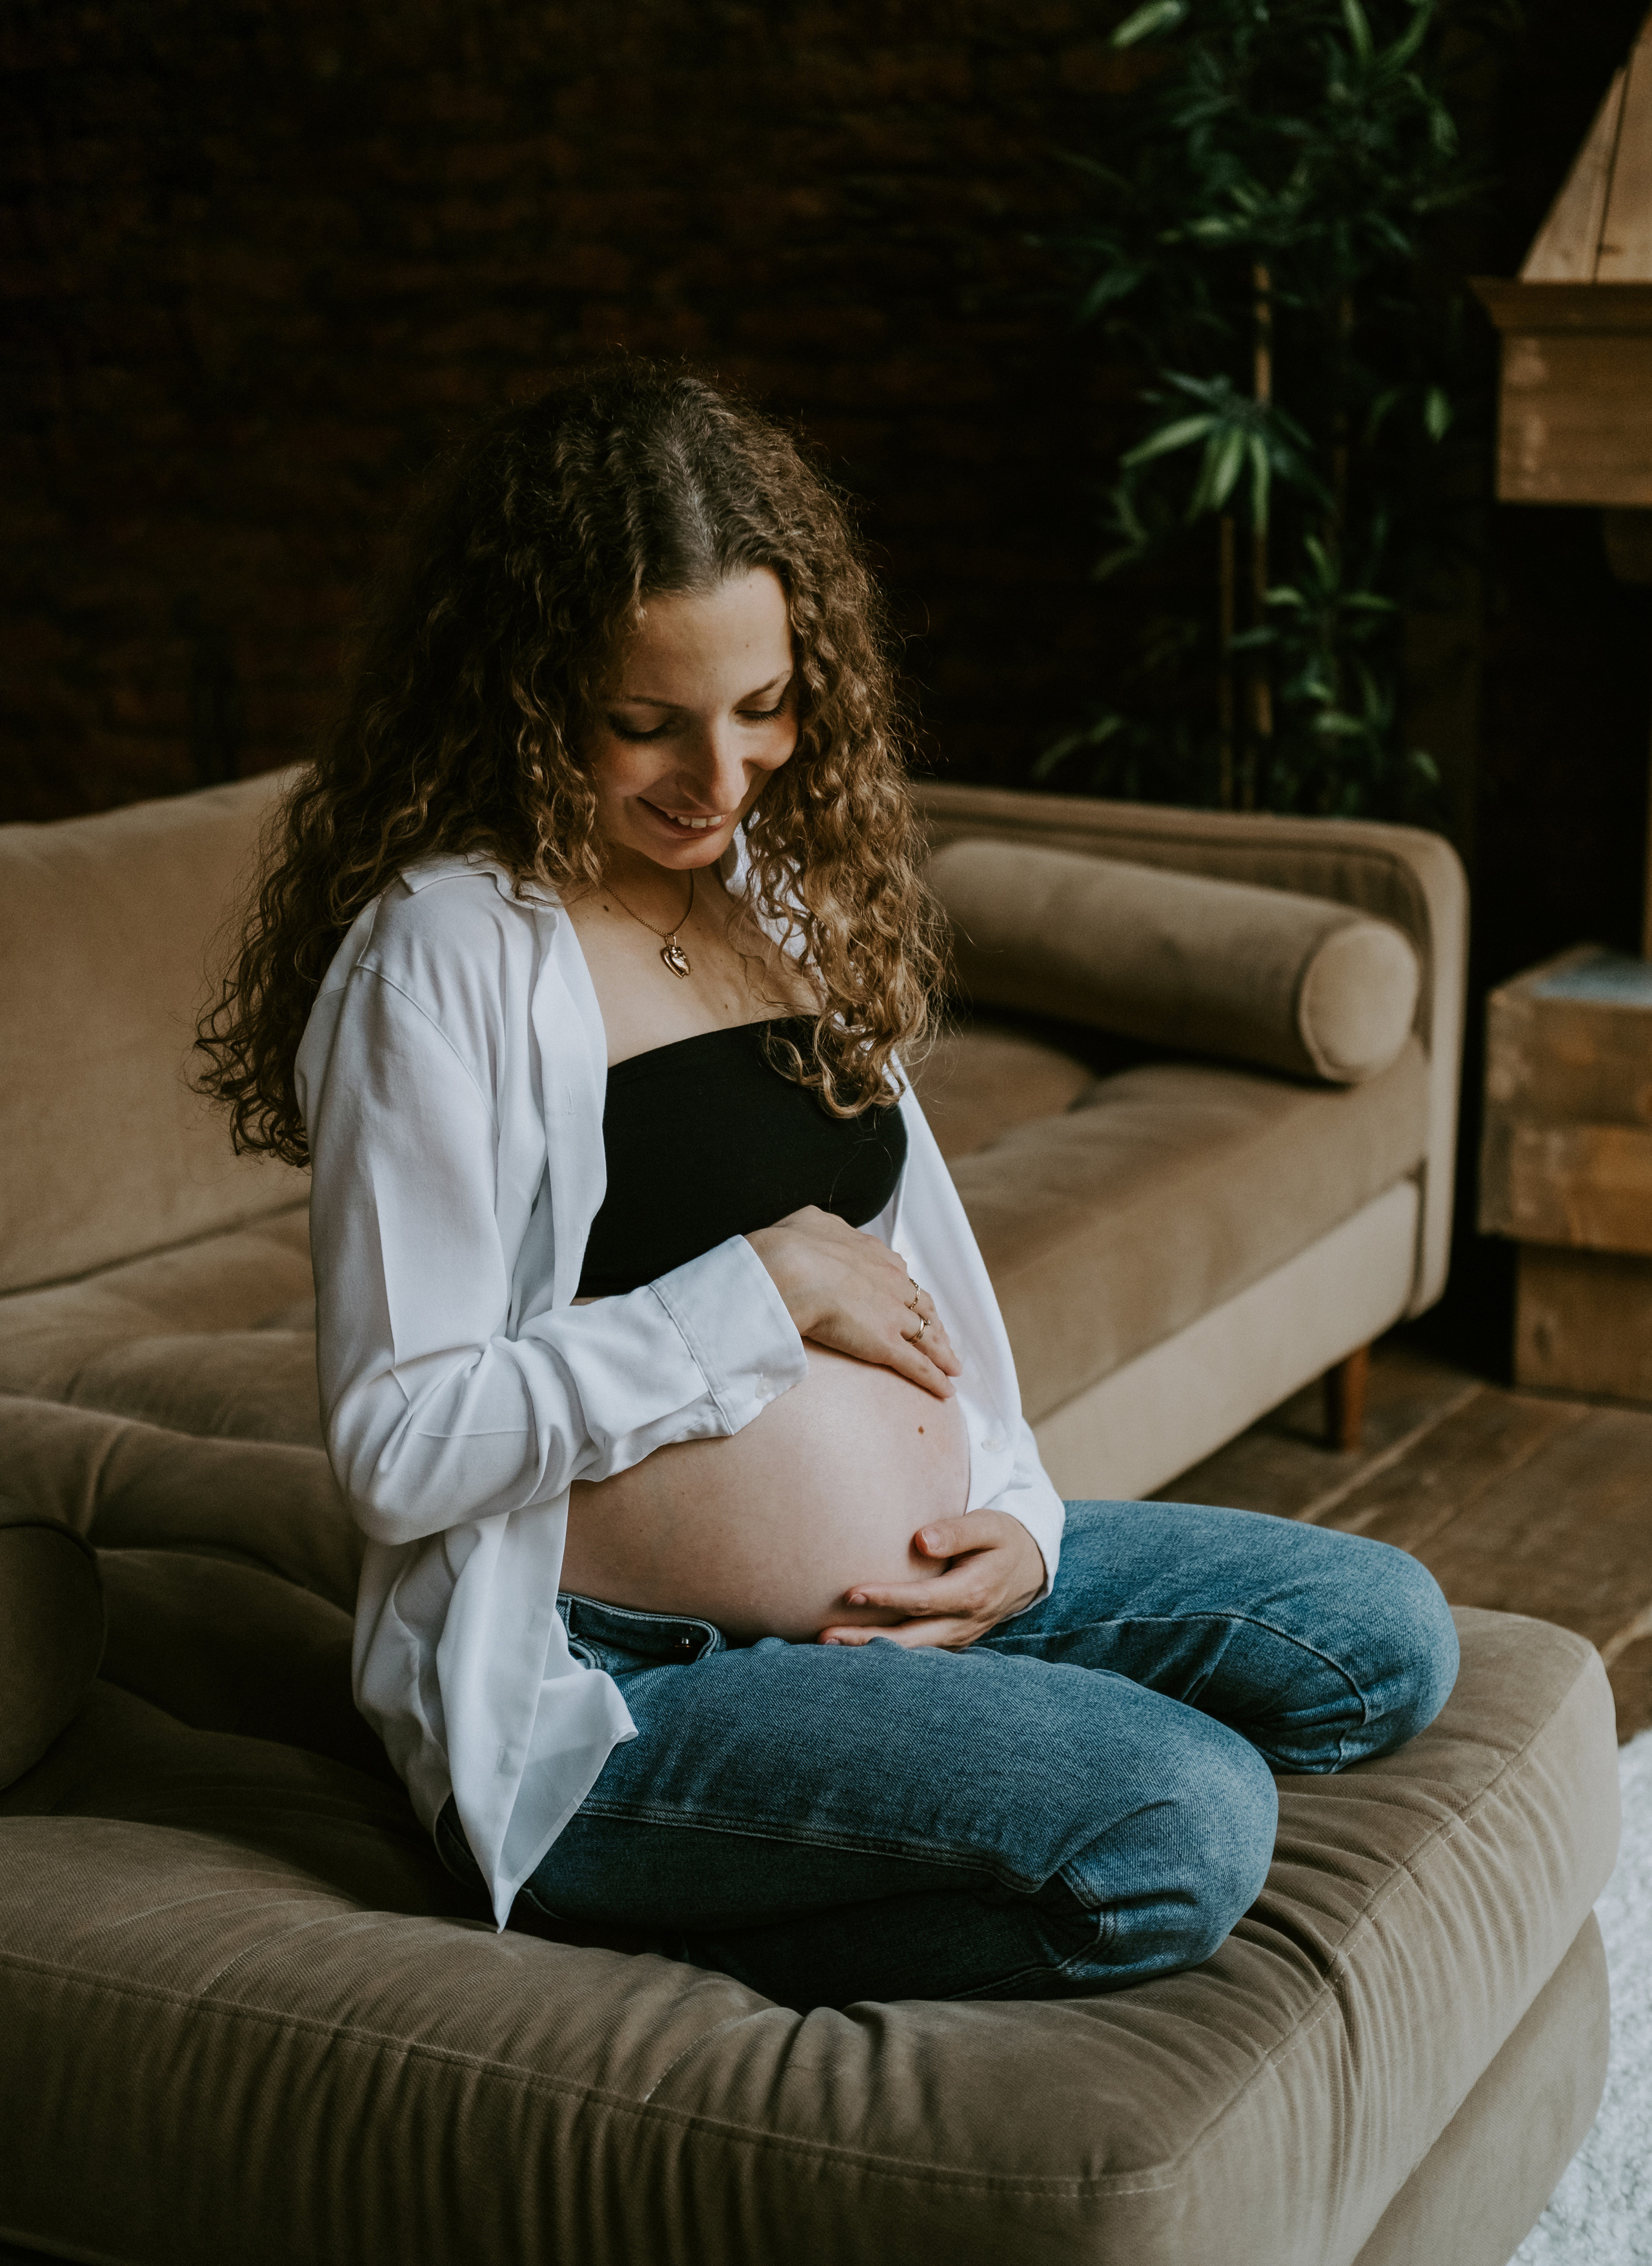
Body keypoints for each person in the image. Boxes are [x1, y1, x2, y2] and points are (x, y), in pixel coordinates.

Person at [199, 361, 1460, 2010]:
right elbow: (396, 1445)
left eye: (761, 708)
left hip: (904, 1592)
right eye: (643, 723)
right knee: (1184, 1823)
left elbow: (917, 1261)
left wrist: (1010, 1512)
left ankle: (926, 1756)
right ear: (519, 691)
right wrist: (747, 1294)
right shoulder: (443, 953)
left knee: (1379, 1632)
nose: (716, 779)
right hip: (617, 1684)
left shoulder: (773, 891)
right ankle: (677, 1894)